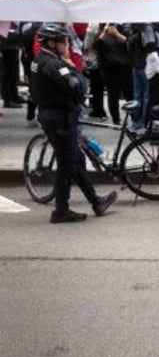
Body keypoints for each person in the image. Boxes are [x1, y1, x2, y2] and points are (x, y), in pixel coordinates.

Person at [29, 24, 117, 223]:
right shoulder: (54, 64)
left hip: (51, 115)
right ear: (52, 43)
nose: (67, 45)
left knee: (73, 160)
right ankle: (61, 210)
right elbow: (78, 87)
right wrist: (70, 67)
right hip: (60, 118)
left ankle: (96, 201)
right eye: (63, 41)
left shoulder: (39, 60)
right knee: (66, 165)